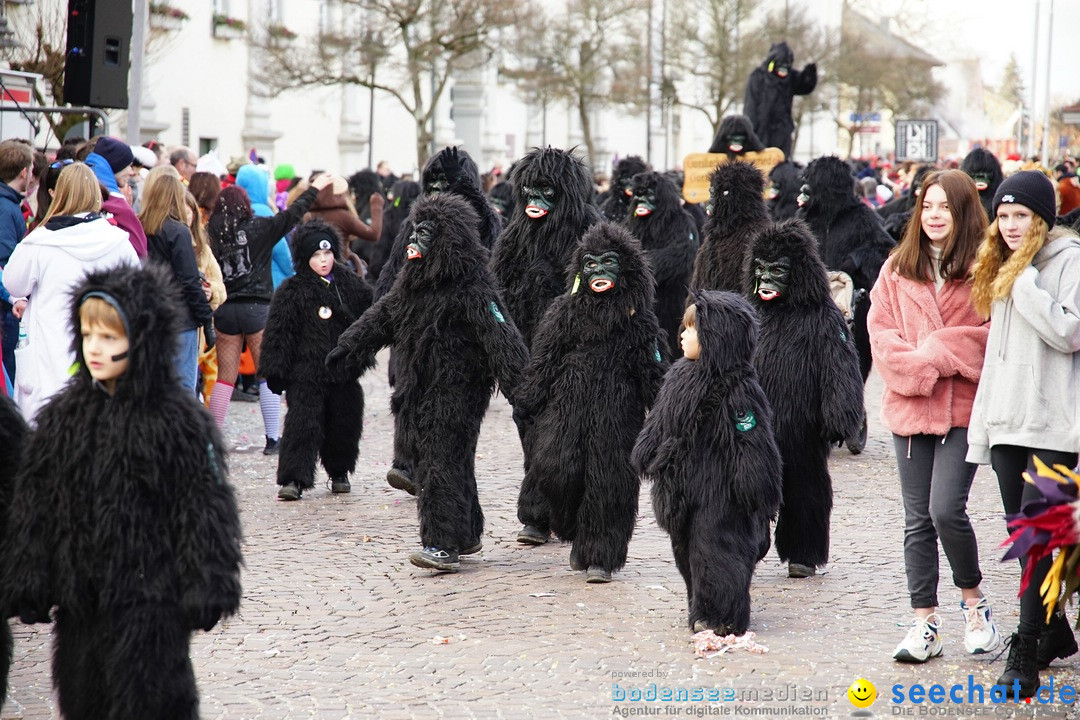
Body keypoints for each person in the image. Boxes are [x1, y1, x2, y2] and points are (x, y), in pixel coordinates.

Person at [0, 263, 242, 720]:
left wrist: (209, 579)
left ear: (141, 338)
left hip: (152, 604)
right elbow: (37, 504)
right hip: (81, 607)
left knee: (152, 702)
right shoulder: (64, 420)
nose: (95, 348)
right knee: (85, 701)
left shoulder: (177, 423)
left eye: (109, 337)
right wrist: (29, 575)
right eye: (89, 336)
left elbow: (203, 506)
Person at [868, 169, 1000, 664]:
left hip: (962, 410)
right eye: (928, 205)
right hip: (909, 406)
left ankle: (975, 603)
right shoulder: (897, 269)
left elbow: (990, 339)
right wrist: (920, 366)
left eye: (945, 206)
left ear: (964, 212)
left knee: (946, 508)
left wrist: (940, 348)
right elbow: (880, 335)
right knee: (916, 520)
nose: (935, 215)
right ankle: (924, 621)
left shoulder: (984, 270)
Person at [967, 170, 1080, 697]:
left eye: (1021, 215)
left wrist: (1026, 283)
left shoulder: (1068, 261)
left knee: (1037, 542)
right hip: (1008, 424)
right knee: (1026, 539)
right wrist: (982, 428)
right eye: (1004, 215)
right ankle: (1054, 629)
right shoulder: (999, 265)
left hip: (1056, 427)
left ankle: (1027, 647)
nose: (1010, 224)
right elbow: (996, 360)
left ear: (1042, 218)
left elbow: (1068, 331)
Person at [633, 291, 782, 634]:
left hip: (721, 493)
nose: (683, 335)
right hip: (682, 488)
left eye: (692, 329)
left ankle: (725, 614)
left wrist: (756, 490)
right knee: (687, 554)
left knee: (718, 550)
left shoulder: (739, 389)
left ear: (716, 337)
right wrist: (648, 449)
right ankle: (701, 606)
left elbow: (752, 441)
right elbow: (660, 420)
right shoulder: (678, 376)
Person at [1, 162, 139, 423]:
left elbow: (12, 283)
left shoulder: (40, 242)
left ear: (59, 193)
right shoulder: (118, 243)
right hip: (100, 350)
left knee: (47, 432)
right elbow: (137, 294)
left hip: (48, 355)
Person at [205, 172, 332, 452]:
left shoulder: (210, 232)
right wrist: (313, 189)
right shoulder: (260, 228)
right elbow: (292, 215)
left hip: (225, 310)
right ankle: (273, 439)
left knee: (226, 377)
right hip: (258, 311)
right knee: (267, 374)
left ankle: (213, 442)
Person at [259, 220, 373, 500]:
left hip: (341, 370)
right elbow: (279, 334)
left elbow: (371, 319)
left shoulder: (351, 286)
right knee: (302, 424)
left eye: (327, 254)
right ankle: (294, 479)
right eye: (316, 256)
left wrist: (359, 357)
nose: (323, 261)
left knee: (344, 422)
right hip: (305, 372)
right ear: (304, 257)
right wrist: (276, 371)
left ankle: (339, 471)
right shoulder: (292, 290)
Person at [140, 165, 216, 392]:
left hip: (149, 316)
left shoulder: (140, 226)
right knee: (182, 388)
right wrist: (206, 319)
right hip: (180, 318)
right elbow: (189, 281)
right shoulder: (178, 231)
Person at [83, 136, 148, 259]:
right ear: (115, 165)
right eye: (128, 165)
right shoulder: (114, 204)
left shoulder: (87, 190)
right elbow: (139, 249)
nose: (131, 171)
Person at [0, 139, 33, 383]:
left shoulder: (9, 204)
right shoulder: (5, 208)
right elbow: (4, 262)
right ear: (24, 172)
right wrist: (14, 297)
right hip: (6, 309)